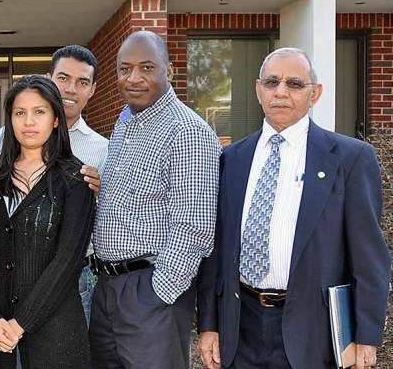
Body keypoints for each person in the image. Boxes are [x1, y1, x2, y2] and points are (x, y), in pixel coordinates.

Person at [196, 48, 390, 369]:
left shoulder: (350, 159)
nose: (281, 92)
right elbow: (215, 250)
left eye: (294, 84)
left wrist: (366, 337)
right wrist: (209, 324)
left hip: (314, 332)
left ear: (315, 94)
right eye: (272, 82)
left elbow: (369, 258)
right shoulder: (232, 159)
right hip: (240, 326)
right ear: (259, 90)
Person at [89, 31, 220, 369]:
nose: (133, 78)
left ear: (169, 70)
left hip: (148, 294)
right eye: (124, 68)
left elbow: (195, 227)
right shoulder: (124, 122)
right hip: (107, 290)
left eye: (147, 67)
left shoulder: (186, 131)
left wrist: (156, 294)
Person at [0, 75, 95, 368]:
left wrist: (21, 323)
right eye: (20, 113)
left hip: (56, 332)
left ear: (54, 119)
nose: (29, 121)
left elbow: (67, 262)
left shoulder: (76, 179)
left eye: (39, 112)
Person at [0, 44, 108, 322]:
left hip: (72, 278)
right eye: (63, 78)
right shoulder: (8, 136)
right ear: (49, 78)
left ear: (93, 90)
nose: (71, 89)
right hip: (10, 273)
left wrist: (101, 194)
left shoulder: (103, 150)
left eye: (82, 82)